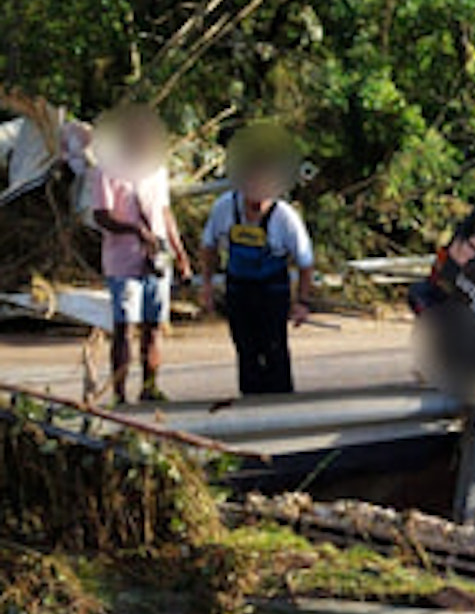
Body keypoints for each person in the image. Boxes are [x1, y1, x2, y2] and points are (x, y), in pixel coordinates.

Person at [199, 123, 314, 395]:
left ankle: (282, 405)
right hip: (239, 288)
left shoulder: (285, 217)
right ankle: (250, 405)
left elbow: (306, 262)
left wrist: (302, 302)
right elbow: (208, 246)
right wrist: (205, 285)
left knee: (274, 349)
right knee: (245, 350)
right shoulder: (224, 207)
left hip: (273, 290)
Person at [91, 105, 191, 404]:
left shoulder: (157, 171)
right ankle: (120, 393)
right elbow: (101, 215)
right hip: (123, 262)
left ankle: (150, 386)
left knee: (154, 326)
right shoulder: (106, 171)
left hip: (157, 261)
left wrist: (180, 252)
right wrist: (135, 230)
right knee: (124, 328)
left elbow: (164, 212)